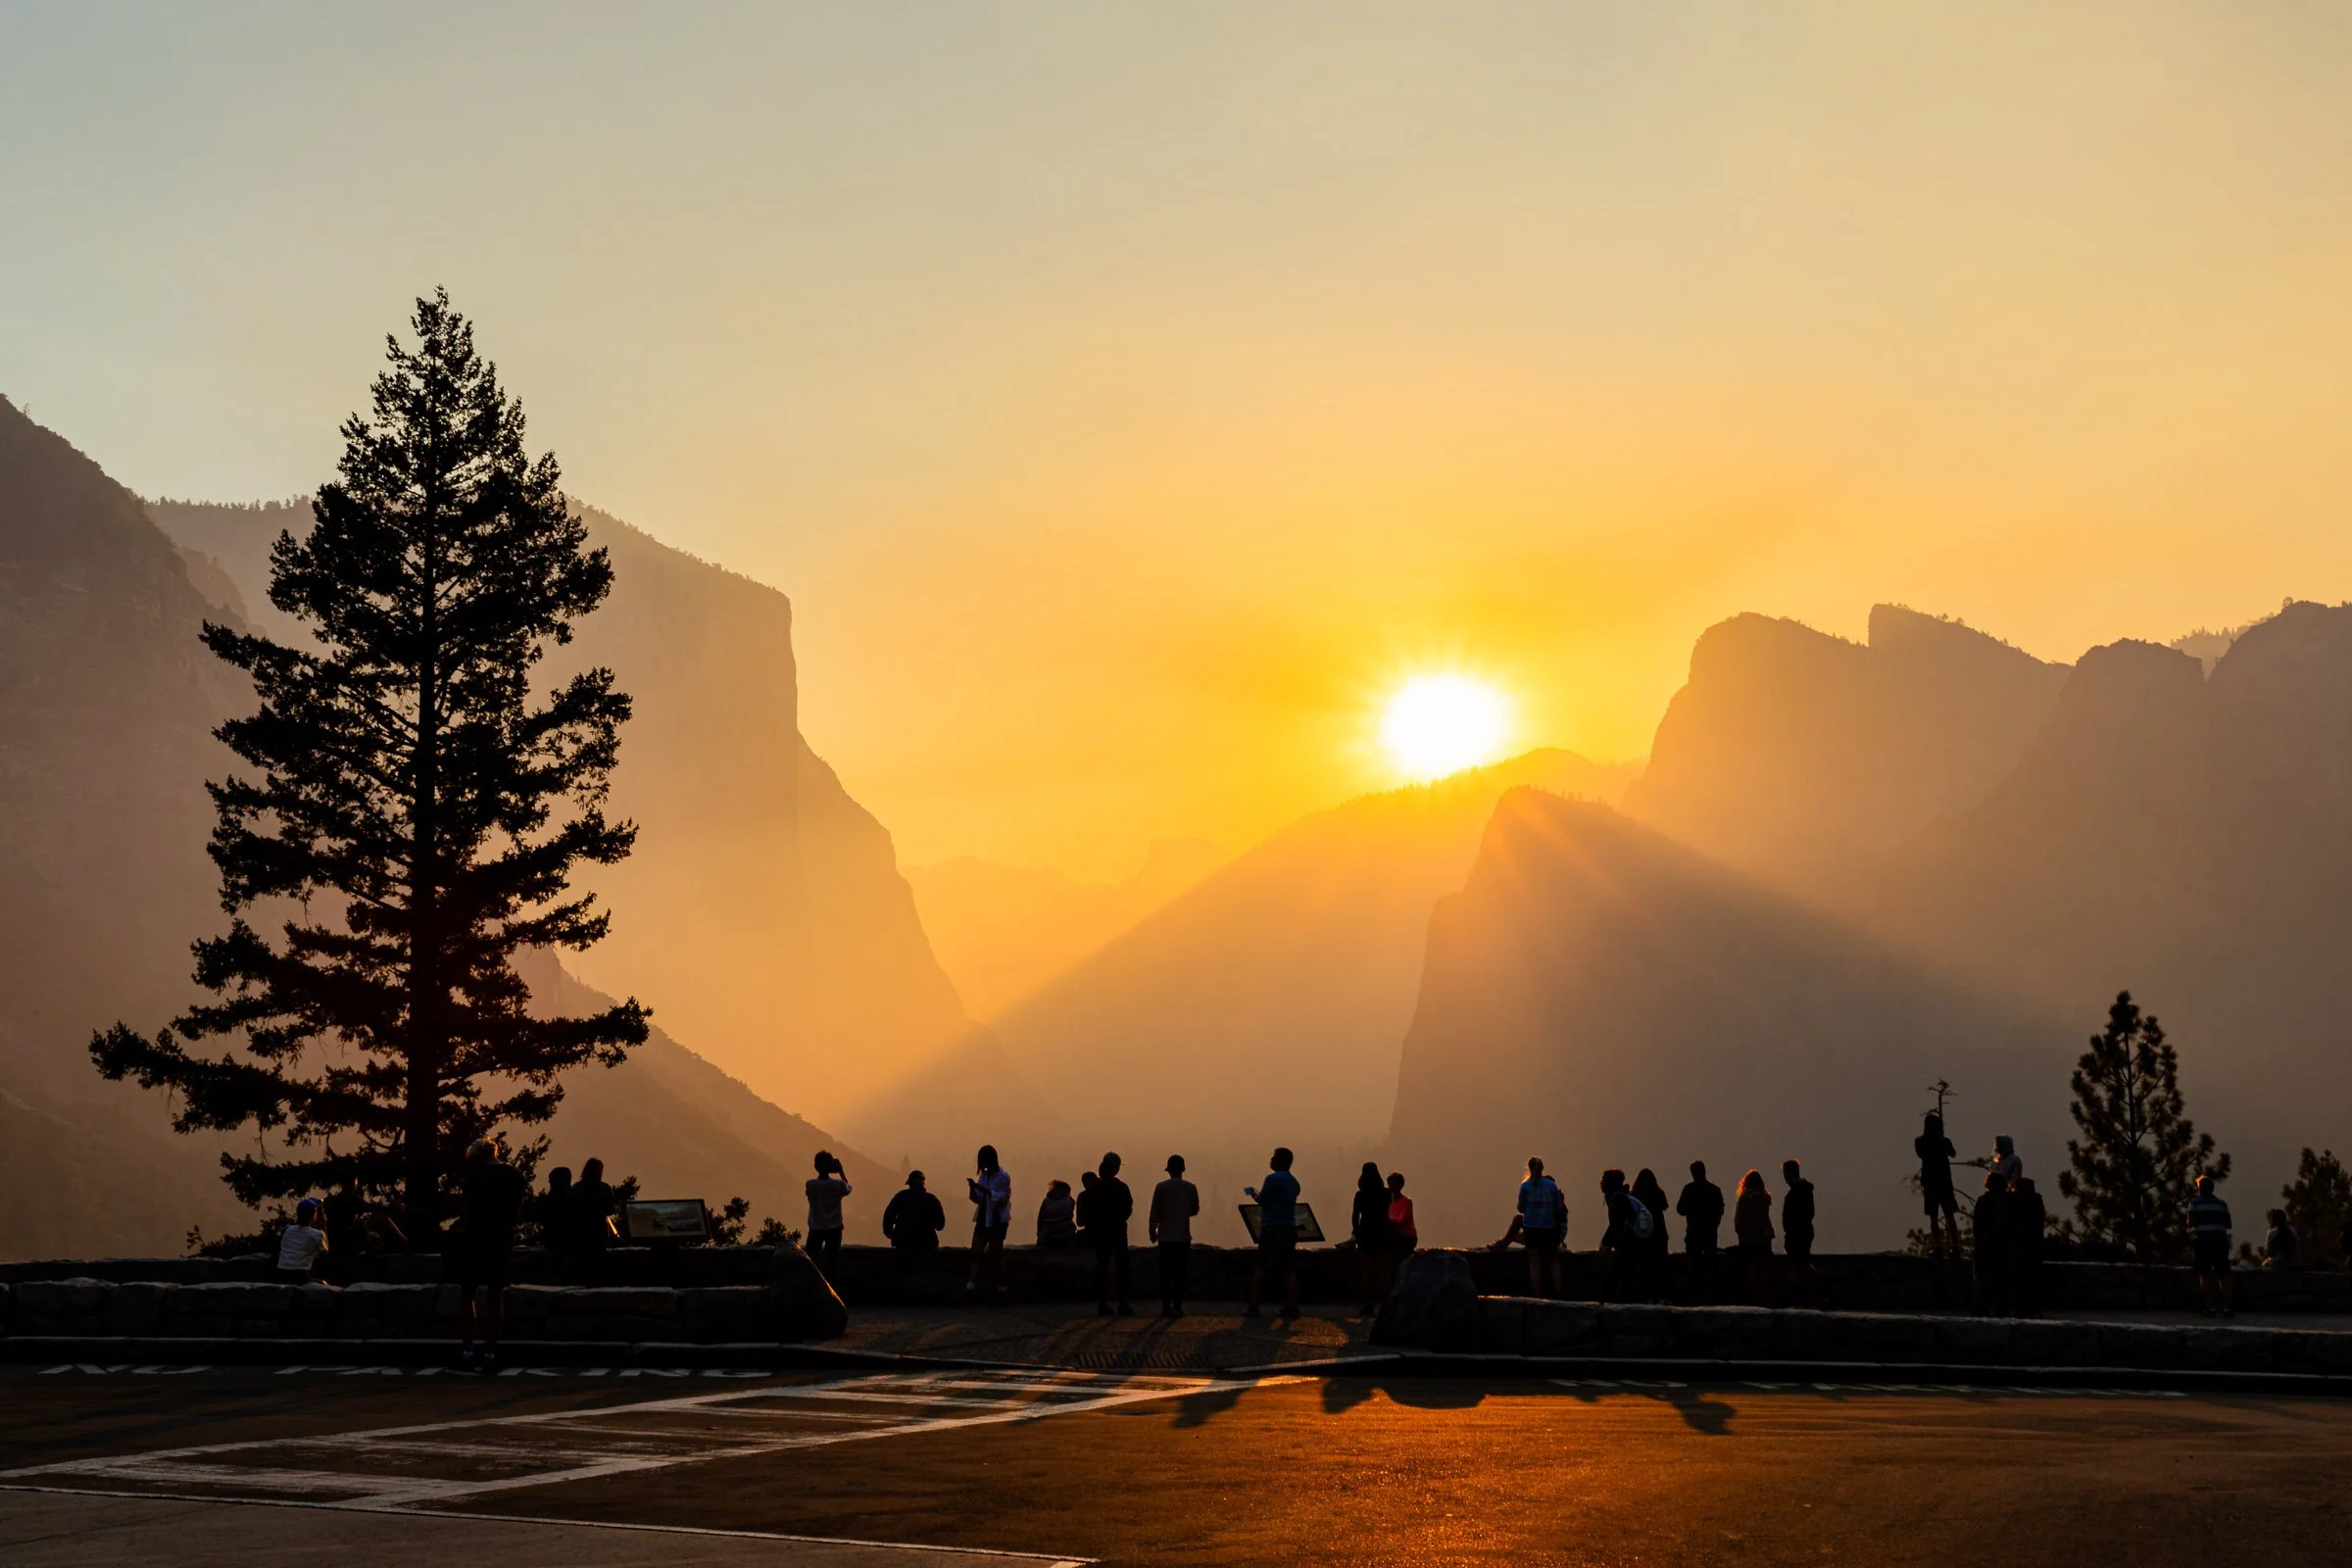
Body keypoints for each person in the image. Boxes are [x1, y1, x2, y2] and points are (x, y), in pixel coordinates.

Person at [451, 1139, 527, 1369]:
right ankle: (490, 1352)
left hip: (474, 1240)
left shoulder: (473, 1179)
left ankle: (467, 1350)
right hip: (501, 1240)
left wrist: (456, 1230)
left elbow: (466, 1213)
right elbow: (516, 1213)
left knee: (468, 1295)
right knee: (496, 1296)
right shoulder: (515, 1176)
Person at [1246, 1147, 1302, 1319]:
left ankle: (1254, 1305)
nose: (1271, 1159)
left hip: (1272, 1229)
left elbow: (1264, 1200)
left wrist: (1253, 1194)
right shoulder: (1294, 1182)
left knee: (1262, 1267)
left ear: (1280, 1161)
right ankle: (1292, 1306)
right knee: (1288, 1269)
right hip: (1289, 1228)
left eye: (1273, 1157)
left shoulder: (1272, 1179)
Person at [1150, 1154, 1200, 1317]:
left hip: (1165, 1237)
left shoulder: (1161, 1187)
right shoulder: (1191, 1188)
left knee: (1165, 1274)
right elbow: (1194, 1210)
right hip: (1183, 1237)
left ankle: (1166, 1305)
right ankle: (1177, 1305)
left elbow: (1154, 1211)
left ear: (1169, 1170)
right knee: (1180, 1273)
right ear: (1183, 1169)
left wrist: (1152, 1229)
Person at [1512, 1157, 1567, 1299]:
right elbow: (1557, 1208)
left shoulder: (1525, 1186)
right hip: (1548, 1228)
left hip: (1531, 1228)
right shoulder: (1551, 1186)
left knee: (1534, 1262)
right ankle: (1558, 1292)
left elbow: (1521, 1207)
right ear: (1542, 1168)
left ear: (1529, 1168)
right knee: (1553, 1260)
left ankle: (1536, 1294)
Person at [964, 1145, 1012, 1300]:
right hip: (983, 1218)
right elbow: (978, 1199)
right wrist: (973, 1189)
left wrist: (985, 1190)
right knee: (975, 1253)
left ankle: (1001, 1290)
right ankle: (970, 1287)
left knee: (995, 1256)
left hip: (998, 1220)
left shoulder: (1003, 1176)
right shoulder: (984, 1176)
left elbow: (1003, 1199)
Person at [1090, 1152, 1135, 1316]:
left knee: (1102, 1267)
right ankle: (1123, 1303)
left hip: (1101, 1232)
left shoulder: (1095, 1188)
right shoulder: (1121, 1187)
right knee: (1123, 1268)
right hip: (1118, 1232)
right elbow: (1128, 1209)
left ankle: (1102, 1303)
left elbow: (1090, 1211)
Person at [1597, 1167, 1650, 1300]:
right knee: (1627, 1279)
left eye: (1603, 1180)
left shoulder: (1617, 1199)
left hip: (1628, 1246)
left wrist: (1606, 1243)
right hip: (1632, 1244)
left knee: (1612, 1279)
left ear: (1609, 1183)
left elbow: (1616, 1224)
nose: (1600, 1183)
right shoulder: (1620, 1197)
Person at [1676, 1161, 1725, 1300]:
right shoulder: (1715, 1190)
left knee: (1694, 1267)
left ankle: (1694, 1296)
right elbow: (1720, 1210)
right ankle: (1713, 1296)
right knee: (1711, 1267)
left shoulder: (1688, 1189)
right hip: (1710, 1233)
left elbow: (1680, 1210)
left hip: (1693, 1233)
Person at [2188, 1172, 2234, 1318]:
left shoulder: (2194, 1203)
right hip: (2220, 1241)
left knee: (2205, 1275)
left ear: (2200, 1188)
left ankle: (2210, 1307)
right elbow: (2228, 1224)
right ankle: (2226, 1307)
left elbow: (2191, 1223)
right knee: (2224, 1276)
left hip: (2203, 1241)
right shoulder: (2222, 1204)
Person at [1916, 1112, 1960, 1258]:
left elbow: (1921, 1154)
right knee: (1949, 1216)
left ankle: (1937, 1247)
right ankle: (1955, 1247)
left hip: (1930, 1183)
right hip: (1944, 1183)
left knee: (1933, 1217)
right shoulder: (1944, 1142)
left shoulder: (1921, 1142)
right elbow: (1953, 1153)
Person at [1351, 1161, 1393, 1314]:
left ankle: (1368, 1304)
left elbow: (1355, 1217)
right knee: (1384, 1272)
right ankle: (1385, 1305)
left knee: (1367, 1273)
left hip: (1366, 1234)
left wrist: (1357, 1232)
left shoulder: (1360, 1195)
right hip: (1383, 1234)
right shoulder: (1387, 1194)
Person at [571, 1157, 617, 1285]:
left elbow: (610, 1209)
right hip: (584, 1231)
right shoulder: (579, 1188)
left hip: (598, 1231)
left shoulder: (603, 1188)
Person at [1971, 1168, 2010, 1316]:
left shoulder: (1983, 1201)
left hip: (1985, 1247)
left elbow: (1977, 1225)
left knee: (1983, 1281)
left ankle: (1981, 1307)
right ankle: (1994, 1307)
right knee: (1994, 1280)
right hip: (1994, 1247)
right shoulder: (2000, 1202)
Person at [805, 1152, 851, 1276]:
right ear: (831, 1167)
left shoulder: (811, 1185)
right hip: (834, 1229)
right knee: (832, 1262)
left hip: (815, 1229)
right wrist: (841, 1171)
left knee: (811, 1261)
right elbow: (848, 1188)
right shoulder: (838, 1185)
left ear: (815, 1166)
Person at [2007, 1175, 2047, 1316]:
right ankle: (2034, 1307)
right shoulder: (2037, 1202)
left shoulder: (2019, 1203)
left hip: (2021, 1247)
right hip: (2035, 1247)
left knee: (2021, 1278)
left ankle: (2022, 1306)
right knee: (2033, 1279)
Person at [1733, 1168, 1774, 1304]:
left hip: (1747, 1239)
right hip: (1763, 1239)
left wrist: (1741, 1233)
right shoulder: (1765, 1200)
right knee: (1763, 1270)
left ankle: (1751, 1298)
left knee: (1750, 1271)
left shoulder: (1744, 1200)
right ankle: (1764, 1298)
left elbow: (1738, 1221)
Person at [1632, 1168, 1673, 1301]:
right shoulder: (1659, 1193)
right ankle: (1659, 1295)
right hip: (1659, 1234)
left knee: (1644, 1266)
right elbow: (1665, 1206)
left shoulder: (1635, 1195)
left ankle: (1644, 1295)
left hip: (1642, 1234)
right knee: (1659, 1266)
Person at [1779, 1159, 1816, 1304]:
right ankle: (1807, 1295)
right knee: (1803, 1263)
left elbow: (1793, 1216)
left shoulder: (1796, 1191)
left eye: (1784, 1174)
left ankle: (1805, 1296)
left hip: (1797, 1235)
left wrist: (1791, 1230)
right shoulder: (1805, 1191)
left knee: (1800, 1266)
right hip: (1804, 1233)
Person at [882, 1170, 946, 1250]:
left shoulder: (901, 1196)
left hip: (903, 1243)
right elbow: (940, 1225)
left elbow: (888, 1216)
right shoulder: (932, 1199)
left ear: (910, 1184)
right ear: (923, 1184)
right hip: (927, 1244)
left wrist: (890, 1234)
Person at [276, 1197, 328, 1285]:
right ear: (314, 1215)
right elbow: (325, 1251)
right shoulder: (317, 1234)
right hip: (300, 1276)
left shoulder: (287, 1229)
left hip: (281, 1273)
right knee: (324, 1283)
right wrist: (323, 1227)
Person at [1036, 1178, 1079, 1249]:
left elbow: (1040, 1218)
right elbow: (1070, 1216)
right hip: (1064, 1230)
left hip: (1047, 1231)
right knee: (1072, 1226)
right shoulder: (1070, 1201)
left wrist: (1039, 1232)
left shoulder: (1046, 1201)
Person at [1387, 1171, 1417, 1258]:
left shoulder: (1407, 1202)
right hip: (1392, 1234)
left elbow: (1401, 1222)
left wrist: (1386, 1220)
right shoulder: (1387, 1203)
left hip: (1407, 1236)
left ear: (1401, 1185)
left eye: (1395, 1184)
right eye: (1390, 1184)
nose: (1392, 1187)